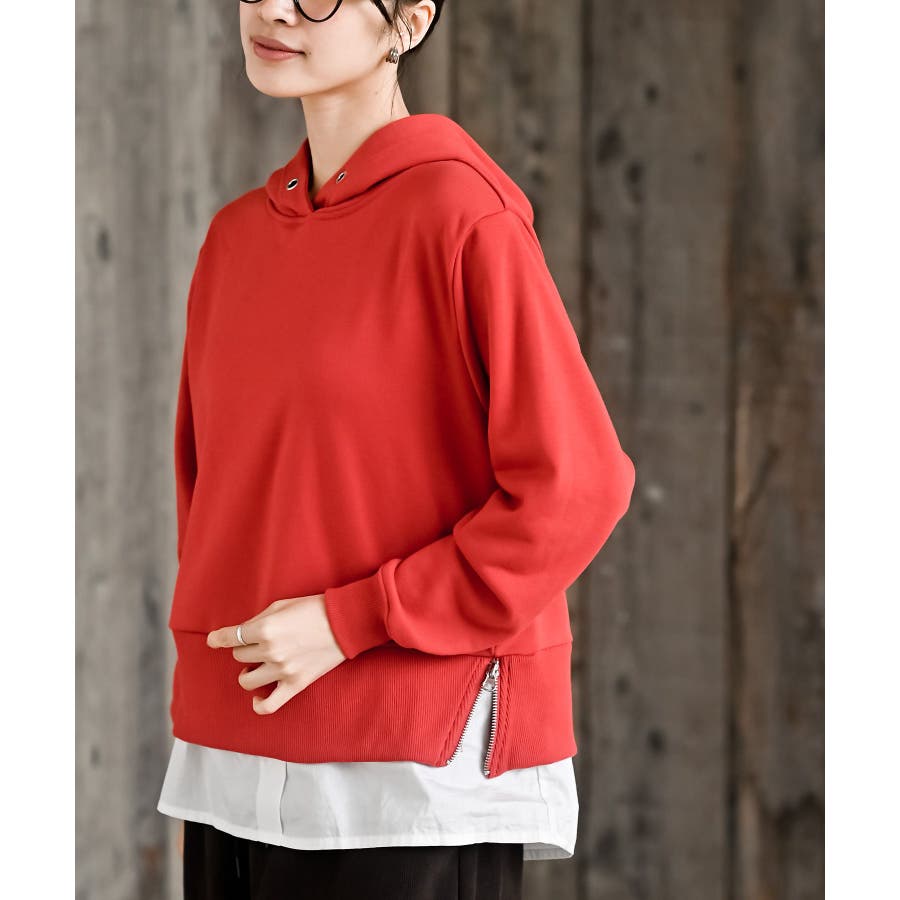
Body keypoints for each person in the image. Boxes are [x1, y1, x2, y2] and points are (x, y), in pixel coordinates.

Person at [156, 1, 637, 897]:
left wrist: (355, 619)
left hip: (408, 775)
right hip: (233, 766)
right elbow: (209, 499)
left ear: (410, 20)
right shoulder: (233, 240)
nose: (274, 9)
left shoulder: (464, 215)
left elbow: (576, 485)